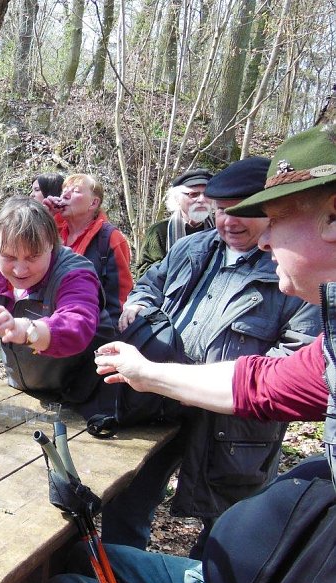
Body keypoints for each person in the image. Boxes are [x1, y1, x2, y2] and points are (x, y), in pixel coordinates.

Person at [14, 123, 336, 583]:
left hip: (273, 577)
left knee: (204, 527)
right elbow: (268, 379)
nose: (262, 232)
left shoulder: (305, 301)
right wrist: (149, 369)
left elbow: (275, 377)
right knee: (95, 538)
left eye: (272, 218)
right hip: (166, 407)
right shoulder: (195, 249)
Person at [102, 156, 321, 557]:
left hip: (236, 425)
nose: (229, 221)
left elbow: (295, 360)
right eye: (221, 210)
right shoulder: (191, 248)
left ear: (271, 212)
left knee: (228, 526)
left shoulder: (297, 269)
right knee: (129, 501)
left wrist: (204, 382)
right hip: (160, 403)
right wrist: (139, 309)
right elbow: (148, 286)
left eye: (243, 211)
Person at [0, 196, 116, 407]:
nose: (19, 270)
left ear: (51, 246)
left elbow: (77, 325)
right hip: (24, 392)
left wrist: (27, 331)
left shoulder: (75, 273)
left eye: (32, 257)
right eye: (8, 257)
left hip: (83, 396)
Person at [43, 173, 133, 323]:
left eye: (76, 191)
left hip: (92, 328)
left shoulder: (111, 238)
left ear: (93, 203)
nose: (65, 194)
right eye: (64, 189)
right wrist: (44, 218)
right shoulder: (52, 231)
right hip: (48, 324)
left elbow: (120, 297)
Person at [135, 168, 215, 278]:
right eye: (193, 194)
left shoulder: (220, 228)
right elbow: (144, 274)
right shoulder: (160, 231)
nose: (202, 199)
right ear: (177, 198)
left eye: (207, 194)